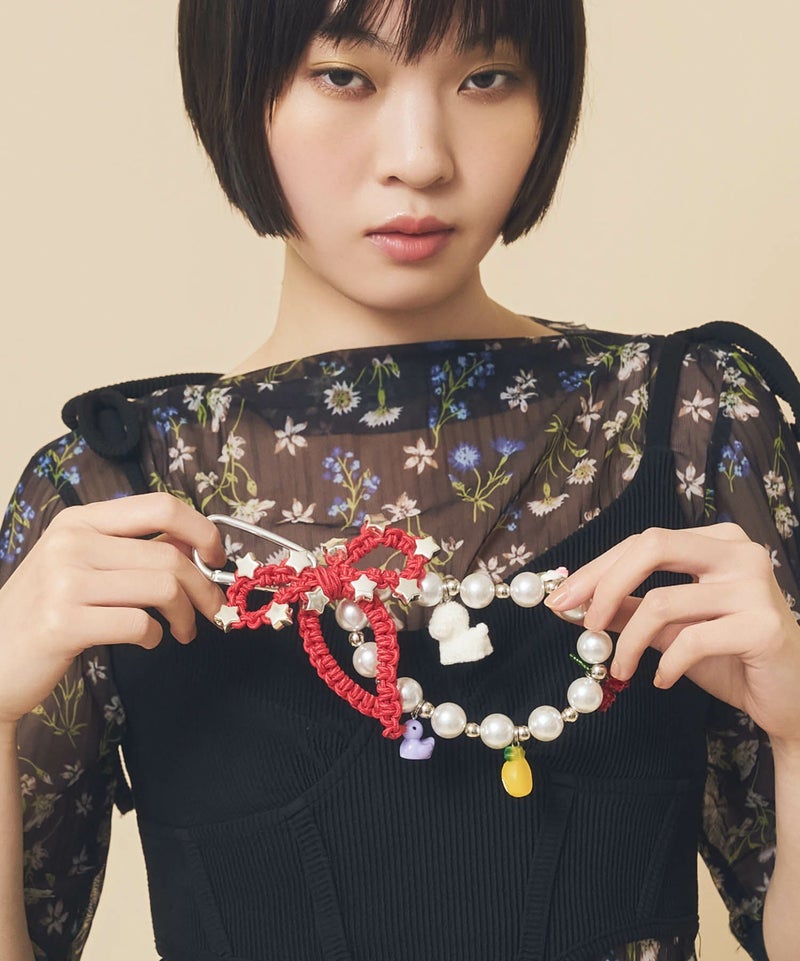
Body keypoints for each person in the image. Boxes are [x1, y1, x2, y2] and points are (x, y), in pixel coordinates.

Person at [1, 1, 798, 960]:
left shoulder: (692, 424)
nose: (420, 159)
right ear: (234, 88)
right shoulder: (110, 500)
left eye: (485, 78)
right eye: (345, 77)